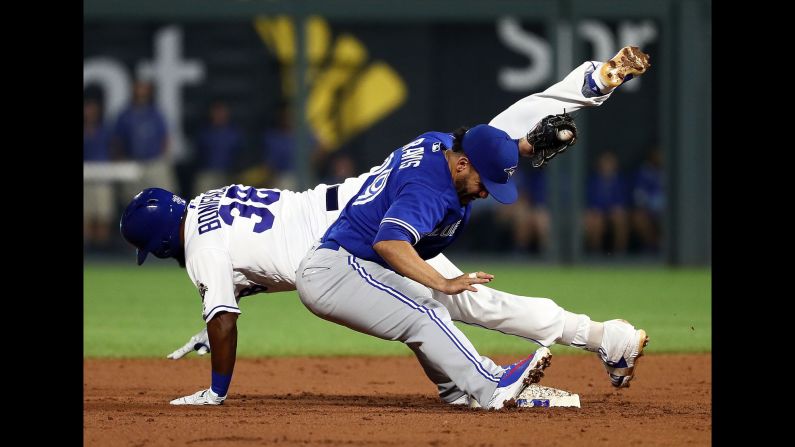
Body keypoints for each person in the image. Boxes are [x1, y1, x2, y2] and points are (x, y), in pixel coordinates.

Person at [121, 47, 651, 406]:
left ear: (161, 241)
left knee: (455, 300)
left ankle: (588, 343)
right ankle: (593, 341)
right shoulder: (441, 144)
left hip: (349, 230)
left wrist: (217, 338)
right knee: (457, 300)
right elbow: (505, 124)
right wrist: (546, 129)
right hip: (347, 204)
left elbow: (236, 291)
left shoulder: (200, 246)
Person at [193, 100, 244, 198]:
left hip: (229, 175)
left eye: (221, 111)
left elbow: (241, 154)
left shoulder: (234, 133)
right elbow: (199, 155)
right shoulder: (204, 132)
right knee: (202, 199)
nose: (219, 115)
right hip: (207, 174)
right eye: (216, 112)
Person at [584, 150, 630, 254]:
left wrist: (616, 208)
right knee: (595, 219)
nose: (607, 165)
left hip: (614, 212)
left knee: (619, 216)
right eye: (605, 162)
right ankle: (596, 252)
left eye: (610, 162)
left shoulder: (620, 180)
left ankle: (620, 252)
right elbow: (589, 200)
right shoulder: (593, 180)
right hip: (597, 212)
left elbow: (624, 200)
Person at [83, 96, 114, 250]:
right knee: (86, 214)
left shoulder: (104, 130)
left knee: (103, 214)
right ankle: (88, 249)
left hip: (102, 176)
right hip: (85, 177)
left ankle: (102, 249)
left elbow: (114, 149)